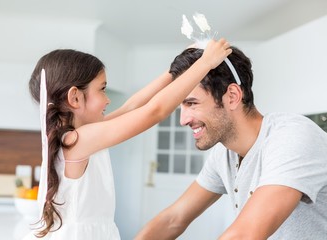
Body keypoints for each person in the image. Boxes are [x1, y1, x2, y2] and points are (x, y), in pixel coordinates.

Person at [22, 39, 231, 239]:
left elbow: (131, 107)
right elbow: (154, 112)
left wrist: (175, 70)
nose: (107, 98)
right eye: (102, 89)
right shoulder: (77, 141)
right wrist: (205, 63)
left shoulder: (79, 137)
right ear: (75, 97)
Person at [135, 47, 327, 239]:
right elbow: (174, 219)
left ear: (233, 96)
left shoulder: (292, 137)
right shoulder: (224, 154)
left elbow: (244, 235)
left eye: (191, 103)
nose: (183, 120)